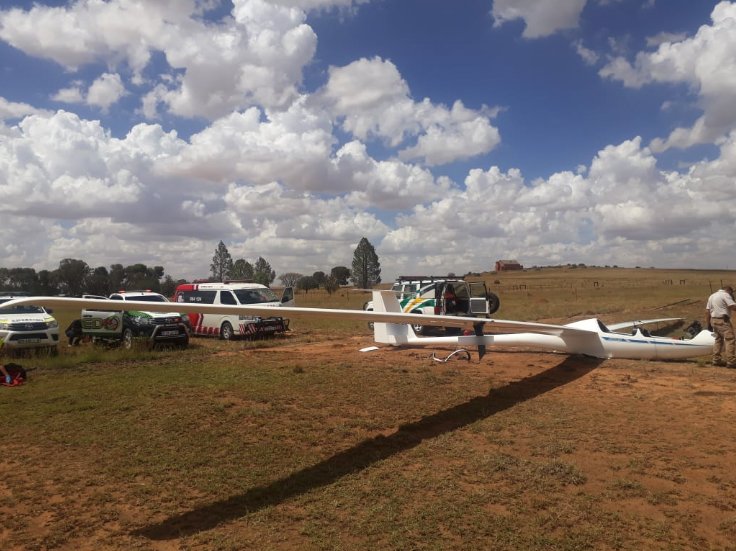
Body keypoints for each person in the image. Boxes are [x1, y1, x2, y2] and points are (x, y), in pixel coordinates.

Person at [705, 285, 736, 367]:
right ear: (729, 290)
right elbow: (732, 306)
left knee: (718, 339)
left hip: (713, 320)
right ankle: (731, 361)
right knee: (730, 339)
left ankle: (716, 360)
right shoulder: (725, 295)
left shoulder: (712, 296)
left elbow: (707, 311)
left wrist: (708, 324)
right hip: (723, 320)